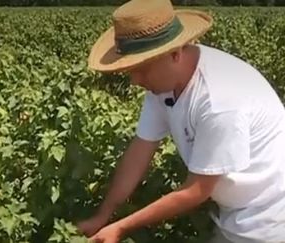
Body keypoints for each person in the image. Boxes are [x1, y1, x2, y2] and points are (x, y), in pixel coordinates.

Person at [76, 0, 285, 243]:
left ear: (175, 53)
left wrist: (121, 228)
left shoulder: (220, 99)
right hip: (236, 212)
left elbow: (196, 190)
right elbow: (140, 151)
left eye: (141, 68)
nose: (134, 80)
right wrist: (103, 216)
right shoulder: (162, 83)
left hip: (268, 221)